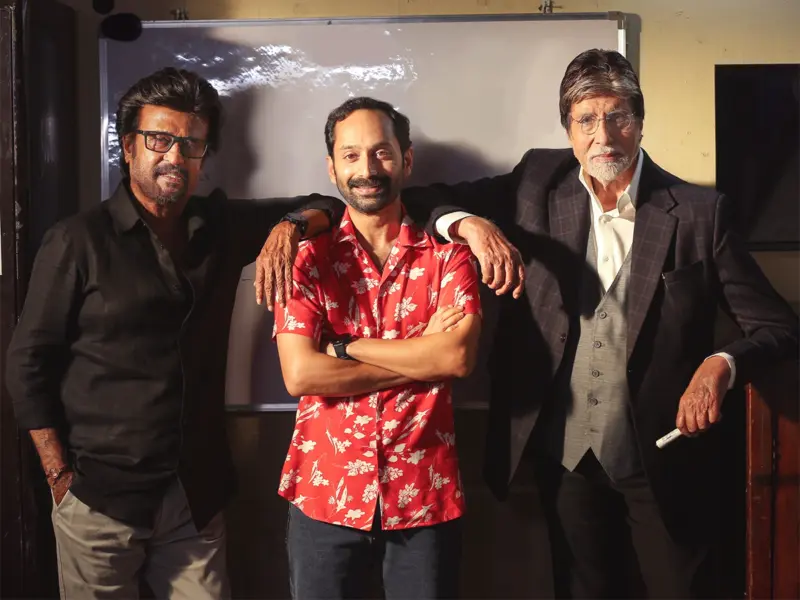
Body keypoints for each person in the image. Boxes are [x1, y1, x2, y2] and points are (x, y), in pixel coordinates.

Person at [256, 50, 799, 598]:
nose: (603, 135)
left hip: (664, 456)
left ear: (640, 120)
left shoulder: (701, 212)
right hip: (565, 459)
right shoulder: (539, 180)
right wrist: (468, 224)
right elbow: (394, 195)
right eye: (586, 120)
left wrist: (721, 364)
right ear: (568, 129)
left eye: (618, 116)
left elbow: (777, 325)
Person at [5, 67, 335, 599]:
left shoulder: (220, 227)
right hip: (100, 496)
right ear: (128, 147)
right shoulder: (77, 240)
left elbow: (330, 206)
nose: (175, 157)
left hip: (195, 493)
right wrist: (58, 474)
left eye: (191, 144)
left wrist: (288, 228)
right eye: (159, 140)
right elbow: (27, 361)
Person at [273, 97, 482, 599]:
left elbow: (456, 358)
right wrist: (421, 355)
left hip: (424, 493)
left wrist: (346, 349)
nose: (366, 169)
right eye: (350, 155)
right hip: (324, 493)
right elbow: (301, 375)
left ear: (405, 160)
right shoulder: (305, 259)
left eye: (381, 152)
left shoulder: (450, 255)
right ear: (332, 168)